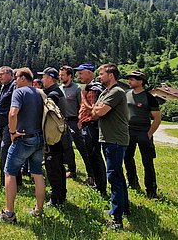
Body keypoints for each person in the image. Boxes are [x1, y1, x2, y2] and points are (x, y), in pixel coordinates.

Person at [0, 68, 45, 223]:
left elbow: (12, 113)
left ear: (23, 78)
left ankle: (9, 214)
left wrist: (12, 132)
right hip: (39, 138)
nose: (15, 80)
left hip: (23, 138)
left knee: (9, 172)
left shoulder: (19, 92)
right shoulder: (39, 93)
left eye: (16, 77)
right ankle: (38, 210)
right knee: (37, 174)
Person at [92, 64, 130, 230]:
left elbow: (99, 112)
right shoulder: (105, 92)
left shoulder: (116, 92)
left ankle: (117, 219)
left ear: (111, 75)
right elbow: (94, 114)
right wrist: (96, 109)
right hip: (108, 139)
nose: (99, 76)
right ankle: (123, 208)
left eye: (101, 74)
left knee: (114, 178)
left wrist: (96, 108)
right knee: (118, 176)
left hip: (115, 140)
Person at [124, 71, 161, 198]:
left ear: (140, 82)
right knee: (127, 158)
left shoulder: (149, 97)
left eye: (132, 79)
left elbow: (157, 118)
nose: (129, 81)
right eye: (129, 79)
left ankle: (151, 190)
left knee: (147, 162)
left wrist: (149, 134)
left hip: (143, 132)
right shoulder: (126, 94)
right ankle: (133, 182)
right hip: (129, 132)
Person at [75, 63, 107, 195]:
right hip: (87, 125)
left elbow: (94, 110)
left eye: (81, 73)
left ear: (89, 73)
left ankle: (100, 186)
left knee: (94, 155)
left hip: (92, 126)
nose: (79, 75)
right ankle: (98, 184)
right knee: (91, 155)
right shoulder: (89, 87)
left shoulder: (93, 89)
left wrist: (83, 96)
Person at [39, 67, 68, 207]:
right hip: (59, 135)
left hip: (54, 136)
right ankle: (61, 194)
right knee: (58, 166)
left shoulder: (53, 94)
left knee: (53, 167)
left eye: (44, 77)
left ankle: (56, 198)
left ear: (50, 78)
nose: (42, 79)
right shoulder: (54, 91)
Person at [59, 65, 94, 182]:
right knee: (67, 148)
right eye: (60, 75)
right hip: (63, 122)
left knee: (82, 148)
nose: (60, 77)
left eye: (63, 75)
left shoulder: (77, 89)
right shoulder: (60, 89)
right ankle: (72, 170)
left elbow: (82, 106)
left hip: (74, 121)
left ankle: (91, 174)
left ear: (69, 76)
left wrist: (80, 121)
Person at [0, 66, 21, 187]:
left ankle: (4, 183)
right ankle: (17, 181)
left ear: (10, 74)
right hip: (2, 124)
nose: (0, 76)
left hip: (9, 125)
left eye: (2, 74)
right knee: (11, 152)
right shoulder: (4, 86)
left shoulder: (13, 86)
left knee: (5, 152)